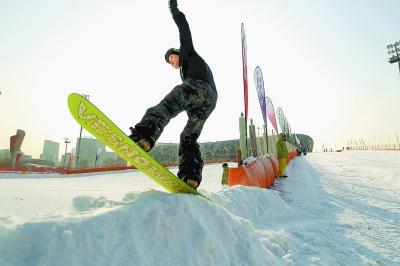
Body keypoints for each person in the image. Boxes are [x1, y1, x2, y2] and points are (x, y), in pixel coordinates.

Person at [129, 0, 218, 190]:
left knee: (168, 105)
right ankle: (190, 175)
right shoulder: (186, 69)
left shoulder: (187, 53)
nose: (172, 63)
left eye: (171, 58)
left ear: (178, 53)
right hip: (209, 101)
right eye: (169, 62)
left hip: (199, 88)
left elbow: (183, 28)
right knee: (188, 136)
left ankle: (145, 135)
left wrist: (173, 8)